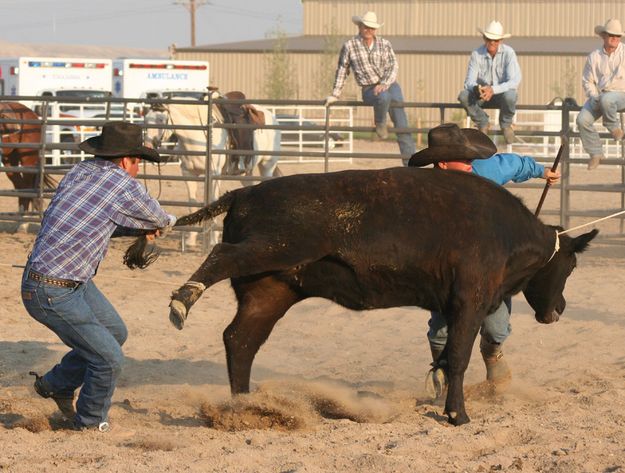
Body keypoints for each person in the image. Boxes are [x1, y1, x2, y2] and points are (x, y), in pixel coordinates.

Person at [21, 122, 176, 432]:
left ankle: (57, 384)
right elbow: (160, 217)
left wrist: (139, 228)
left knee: (114, 332)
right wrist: (156, 225)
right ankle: (90, 423)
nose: (137, 169)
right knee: (109, 359)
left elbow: (95, 221)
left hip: (53, 280)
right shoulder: (122, 184)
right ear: (125, 160)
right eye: (137, 162)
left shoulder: (80, 172)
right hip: (55, 288)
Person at [408, 123, 560, 396]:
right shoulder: (422, 192)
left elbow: (511, 164)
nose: (470, 161)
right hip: (445, 270)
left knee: (496, 325)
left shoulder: (484, 171)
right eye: (463, 157)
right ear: (442, 163)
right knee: (443, 327)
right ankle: (441, 367)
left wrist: (540, 171)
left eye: (469, 156)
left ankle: (493, 353)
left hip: (487, 267)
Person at [324, 11, 416, 165]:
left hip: (390, 85)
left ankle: (411, 165)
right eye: (366, 27)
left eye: (372, 28)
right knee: (383, 97)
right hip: (368, 88)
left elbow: (393, 65)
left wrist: (384, 83)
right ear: (359, 27)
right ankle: (380, 122)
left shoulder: (384, 44)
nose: (369, 30)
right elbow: (342, 70)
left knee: (402, 125)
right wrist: (335, 94)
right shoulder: (349, 46)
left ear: (376, 30)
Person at [458, 20, 522, 144]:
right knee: (463, 95)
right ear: (484, 38)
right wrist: (478, 89)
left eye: (496, 40)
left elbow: (514, 81)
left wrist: (493, 89)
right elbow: (469, 81)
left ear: (501, 41)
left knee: (511, 95)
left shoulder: (509, 53)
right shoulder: (476, 54)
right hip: (482, 95)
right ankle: (482, 122)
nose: (492, 42)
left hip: (501, 95)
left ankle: (506, 124)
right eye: (489, 39)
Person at [577, 19, 625, 170]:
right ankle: (595, 153)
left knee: (607, 99)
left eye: (617, 36)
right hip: (600, 96)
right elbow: (587, 81)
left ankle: (613, 126)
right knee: (582, 120)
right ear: (603, 36)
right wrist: (594, 95)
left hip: (622, 94)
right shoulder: (594, 56)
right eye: (611, 35)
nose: (615, 38)